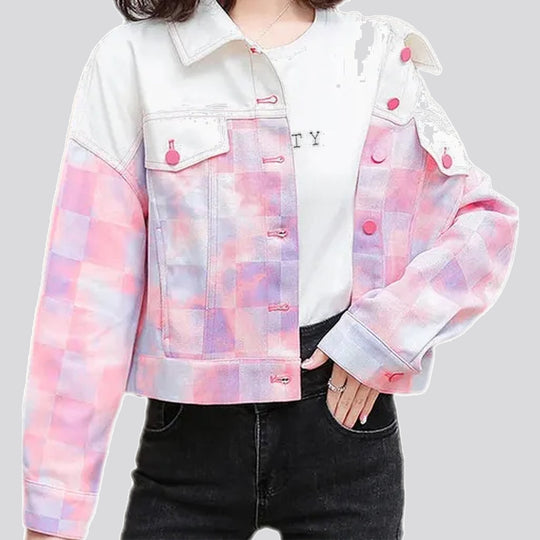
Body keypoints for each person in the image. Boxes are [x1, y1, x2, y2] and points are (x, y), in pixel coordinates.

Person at [21, 0, 519, 539]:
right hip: (188, 441)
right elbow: (86, 299)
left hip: (344, 422)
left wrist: (382, 335)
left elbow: (484, 224)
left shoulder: (372, 53)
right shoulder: (132, 59)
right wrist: (53, 512)